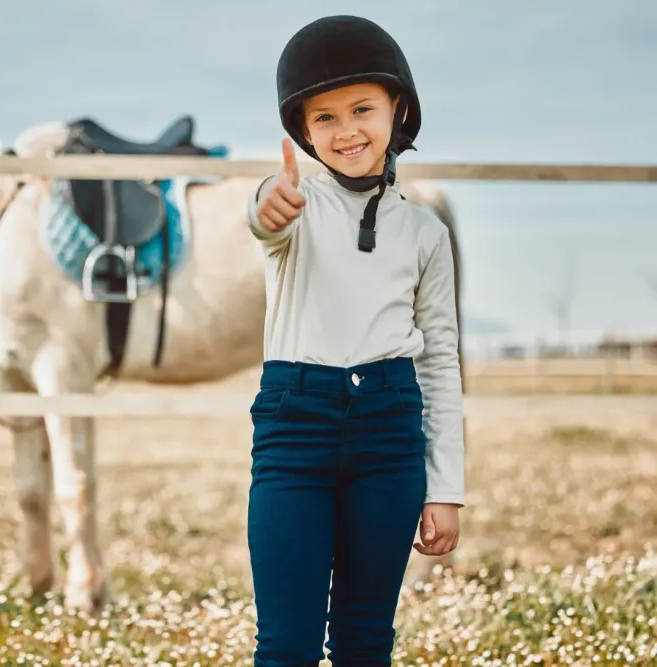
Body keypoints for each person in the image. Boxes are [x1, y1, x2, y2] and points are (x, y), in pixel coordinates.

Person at [245, 14, 466, 667]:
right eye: (325, 118)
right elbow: (266, 219)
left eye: (362, 109)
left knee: (365, 641)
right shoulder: (297, 208)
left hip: (389, 434)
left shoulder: (425, 234)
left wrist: (445, 486)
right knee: (285, 644)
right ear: (304, 132)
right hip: (295, 431)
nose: (346, 131)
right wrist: (267, 205)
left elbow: (440, 361)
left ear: (400, 110)